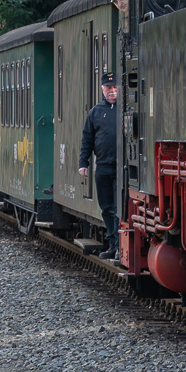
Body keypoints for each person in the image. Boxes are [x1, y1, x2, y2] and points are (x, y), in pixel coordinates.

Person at [78, 74, 119, 258]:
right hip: (103, 166)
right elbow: (87, 139)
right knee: (107, 207)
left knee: (119, 208)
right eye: (108, 88)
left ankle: (120, 245)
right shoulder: (95, 112)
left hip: (121, 168)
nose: (112, 91)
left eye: (114, 87)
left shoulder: (125, 110)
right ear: (102, 90)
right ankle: (113, 244)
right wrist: (83, 163)